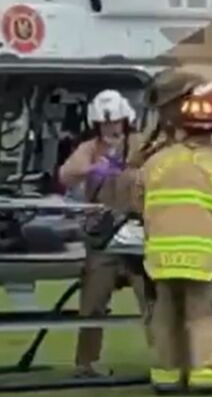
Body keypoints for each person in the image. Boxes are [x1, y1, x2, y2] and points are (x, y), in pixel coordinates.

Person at [137, 95, 212, 395]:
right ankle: (204, 374)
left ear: (180, 130)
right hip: (203, 255)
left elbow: (138, 203)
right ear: (211, 133)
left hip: (160, 254)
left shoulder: (155, 164)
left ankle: (166, 375)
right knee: (202, 314)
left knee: (165, 313)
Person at [57, 89, 150, 378]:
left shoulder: (141, 144)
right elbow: (65, 174)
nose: (110, 129)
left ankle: (167, 356)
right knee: (92, 303)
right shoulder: (89, 148)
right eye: (104, 124)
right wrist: (94, 169)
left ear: (126, 120)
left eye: (115, 123)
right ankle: (85, 363)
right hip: (104, 238)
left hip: (137, 232)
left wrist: (130, 166)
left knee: (152, 300)